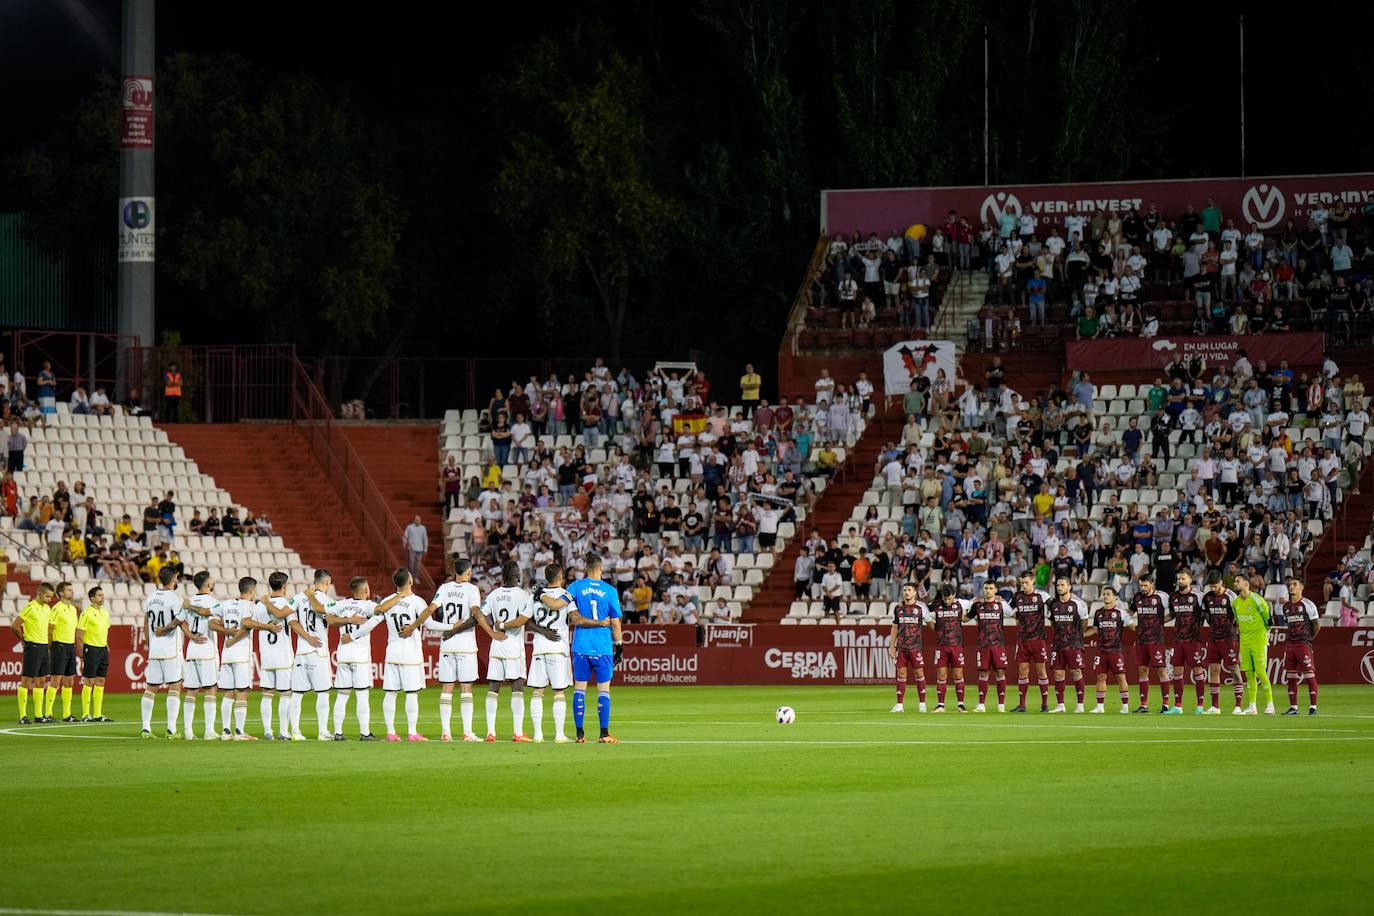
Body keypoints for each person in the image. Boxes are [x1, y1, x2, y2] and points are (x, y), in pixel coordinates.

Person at [348, 568, 431, 740]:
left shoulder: (387, 601)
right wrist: (451, 628)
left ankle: (391, 732)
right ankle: (412, 732)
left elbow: (372, 623)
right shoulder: (417, 601)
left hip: (392, 653)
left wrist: (352, 635)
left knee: (391, 693)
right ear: (410, 582)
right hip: (410, 654)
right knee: (411, 693)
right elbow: (430, 624)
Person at [426, 558, 495, 741]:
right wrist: (490, 631)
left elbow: (432, 609)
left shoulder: (444, 588)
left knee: (447, 688)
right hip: (465, 645)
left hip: (448, 643)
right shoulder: (472, 590)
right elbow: (476, 613)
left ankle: (446, 732)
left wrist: (447, 628)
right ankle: (467, 732)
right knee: (466, 688)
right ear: (469, 572)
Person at [566, 553, 624, 743]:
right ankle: (604, 734)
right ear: (601, 568)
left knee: (579, 689)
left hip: (580, 645)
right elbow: (615, 623)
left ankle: (580, 735)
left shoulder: (575, 586)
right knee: (603, 690)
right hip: (602, 647)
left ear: (585, 568)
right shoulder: (610, 590)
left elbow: (566, 610)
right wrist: (620, 646)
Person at [139, 568, 202, 738]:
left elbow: (145, 622)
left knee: (151, 687)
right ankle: (171, 729)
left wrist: (149, 641)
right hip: (170, 649)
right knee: (175, 686)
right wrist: (191, 636)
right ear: (173, 579)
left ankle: (145, 728)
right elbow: (179, 622)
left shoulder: (151, 597)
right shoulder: (175, 599)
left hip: (154, 649)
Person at [480, 560, 534, 741]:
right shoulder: (522, 594)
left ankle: (490, 732)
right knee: (517, 686)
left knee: (493, 688)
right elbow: (523, 620)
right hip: (513, 647)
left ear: (502, 576)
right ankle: (518, 732)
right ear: (517, 575)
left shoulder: (493, 594)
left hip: (496, 646)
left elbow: (480, 614)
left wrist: (491, 632)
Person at [287, 570, 343, 741]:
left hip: (302, 651)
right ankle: (323, 732)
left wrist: (306, 637)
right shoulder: (327, 600)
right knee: (323, 692)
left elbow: (291, 621)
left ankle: (295, 732)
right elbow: (333, 621)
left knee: (297, 693)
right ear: (327, 582)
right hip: (319, 652)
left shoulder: (298, 597)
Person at [525, 563, 575, 742]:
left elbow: (526, 621)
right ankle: (559, 734)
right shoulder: (566, 596)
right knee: (558, 692)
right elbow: (574, 617)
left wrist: (541, 630)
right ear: (560, 576)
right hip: (557, 648)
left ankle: (538, 734)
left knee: (538, 691)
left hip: (539, 647)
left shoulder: (535, 596)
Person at [328, 576, 379, 740]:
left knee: (342, 695)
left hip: (343, 655)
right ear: (365, 590)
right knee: (362, 695)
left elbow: (327, 617)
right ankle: (365, 733)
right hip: (360, 657)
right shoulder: (369, 606)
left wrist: (346, 620)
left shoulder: (341, 604)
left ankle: (338, 732)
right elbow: (381, 614)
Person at [248, 571, 296, 740]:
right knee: (285, 694)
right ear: (284, 586)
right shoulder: (288, 604)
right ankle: (284, 731)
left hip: (267, 655)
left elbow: (250, 623)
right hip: (283, 655)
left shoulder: (260, 605)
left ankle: (268, 731)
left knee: (267, 694)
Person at [213, 577, 260, 740]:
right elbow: (247, 626)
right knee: (242, 692)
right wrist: (232, 638)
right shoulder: (250, 606)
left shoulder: (225, 604)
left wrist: (226, 632)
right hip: (241, 655)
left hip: (226, 654)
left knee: (228, 692)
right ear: (252, 590)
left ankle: (226, 731)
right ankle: (239, 732)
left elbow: (211, 623)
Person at [179, 571, 221, 739]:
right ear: (207, 584)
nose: (213, 582)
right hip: (206, 648)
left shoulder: (189, 601)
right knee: (211, 688)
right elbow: (207, 615)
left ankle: (188, 732)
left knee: (192, 690)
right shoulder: (213, 602)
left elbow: (180, 621)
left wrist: (189, 635)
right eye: (212, 580)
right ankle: (209, 731)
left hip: (192, 650)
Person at [1200, 571, 1244, 715]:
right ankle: (1215, 706)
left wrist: (1236, 635)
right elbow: (1206, 614)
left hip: (1229, 639)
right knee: (1213, 670)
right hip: (1213, 639)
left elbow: (1238, 618)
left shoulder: (1231, 596)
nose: (1213, 589)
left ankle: (1238, 705)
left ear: (1221, 583)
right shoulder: (1207, 598)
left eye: (1215, 586)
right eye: (1211, 587)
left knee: (1234, 669)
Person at [1085, 586, 1134, 713]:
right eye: (1104, 594)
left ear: (1115, 597)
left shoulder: (1121, 613)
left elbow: (1132, 627)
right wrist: (1081, 635)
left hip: (1116, 651)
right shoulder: (1098, 613)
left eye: (1108, 594)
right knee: (1101, 677)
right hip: (1101, 651)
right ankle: (1100, 706)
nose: (1105, 596)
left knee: (1120, 677)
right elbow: (1095, 629)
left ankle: (1125, 706)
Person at [966, 580, 1011, 712]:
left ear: (996, 590)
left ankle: (1001, 705)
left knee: (1000, 672)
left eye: (991, 588)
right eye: (986, 588)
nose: (988, 590)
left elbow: (1016, 614)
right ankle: (981, 705)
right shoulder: (977, 605)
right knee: (983, 672)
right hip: (983, 645)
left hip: (998, 644)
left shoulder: (1002, 605)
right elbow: (965, 618)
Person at [1166, 570, 1207, 714]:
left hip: (1193, 640)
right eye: (1178, 578)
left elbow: (1207, 613)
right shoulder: (1173, 597)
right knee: (1177, 672)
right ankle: (1178, 706)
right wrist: (1158, 621)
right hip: (1177, 640)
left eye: (1183, 578)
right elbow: (1171, 614)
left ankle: (1200, 705)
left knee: (1197, 671)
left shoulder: (1199, 596)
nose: (1180, 581)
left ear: (1190, 580)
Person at [1278, 577, 1321, 716]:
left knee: (1309, 675)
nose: (1291, 587)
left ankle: (1313, 707)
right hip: (1290, 646)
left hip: (1303, 645)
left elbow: (1317, 626)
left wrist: (1307, 640)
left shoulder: (1308, 604)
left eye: (1294, 584)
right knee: (1291, 676)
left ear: (1301, 587)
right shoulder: (1286, 607)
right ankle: (1293, 707)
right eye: (1290, 584)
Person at [1232, 575, 1274, 715]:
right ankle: (1252, 707)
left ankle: (1270, 705)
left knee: (1261, 672)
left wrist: (1264, 635)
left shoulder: (1256, 599)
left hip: (1258, 640)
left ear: (1246, 584)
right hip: (1244, 641)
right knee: (1249, 674)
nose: (1235, 583)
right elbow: (1238, 622)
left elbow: (1268, 620)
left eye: (1238, 581)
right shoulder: (1235, 602)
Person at [13, 582, 55, 723]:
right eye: (48, 596)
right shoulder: (30, 607)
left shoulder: (48, 609)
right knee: (27, 680)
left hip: (43, 648)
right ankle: (22, 716)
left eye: (51, 597)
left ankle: (38, 716)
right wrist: (25, 640)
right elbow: (15, 626)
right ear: (40, 593)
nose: (50, 599)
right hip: (33, 647)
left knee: (41, 680)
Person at [1009, 572, 1051, 713]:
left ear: (1033, 581)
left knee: (1041, 671)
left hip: (1038, 639)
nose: (1024, 585)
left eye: (1027, 582)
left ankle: (1045, 705)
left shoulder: (1042, 596)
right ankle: (1022, 705)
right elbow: (1009, 610)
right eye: (1022, 583)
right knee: (1023, 671)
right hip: (1023, 640)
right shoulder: (1017, 597)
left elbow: (1055, 607)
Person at [1129, 573, 1171, 714]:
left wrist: (1160, 622)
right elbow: (1130, 612)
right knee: (1142, 670)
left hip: (1156, 640)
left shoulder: (1162, 597)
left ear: (1152, 584)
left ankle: (1165, 704)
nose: (1143, 588)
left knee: (1161, 670)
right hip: (1141, 640)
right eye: (1141, 585)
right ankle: (1143, 705)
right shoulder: (1137, 597)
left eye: (1145, 585)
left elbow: (1173, 613)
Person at [1047, 577, 1089, 713]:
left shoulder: (1079, 603)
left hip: (1074, 644)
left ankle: (1080, 705)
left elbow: (1084, 623)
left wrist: (1075, 636)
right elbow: (1053, 623)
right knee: (1058, 674)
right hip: (1058, 644)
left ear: (1069, 586)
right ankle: (1060, 705)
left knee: (1076, 672)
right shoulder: (1053, 604)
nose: (1059, 588)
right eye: (1058, 585)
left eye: (1062, 585)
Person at [886, 583, 928, 713]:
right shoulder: (898, 608)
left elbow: (930, 621)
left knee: (919, 674)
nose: (906, 592)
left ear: (915, 592)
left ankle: (922, 704)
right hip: (902, 648)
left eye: (909, 590)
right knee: (901, 674)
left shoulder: (921, 608)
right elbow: (894, 627)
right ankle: (899, 705)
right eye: (904, 590)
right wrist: (892, 646)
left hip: (916, 647)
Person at [927, 585, 967, 712]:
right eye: (945, 598)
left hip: (957, 645)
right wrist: (932, 624)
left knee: (958, 675)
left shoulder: (961, 603)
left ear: (954, 595)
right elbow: (922, 610)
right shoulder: (937, 604)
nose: (947, 601)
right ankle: (940, 705)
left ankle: (961, 705)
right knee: (941, 675)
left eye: (949, 598)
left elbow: (975, 604)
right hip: (942, 646)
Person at [75, 586, 112, 723]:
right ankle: (85, 714)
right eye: (99, 595)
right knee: (89, 681)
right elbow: (79, 636)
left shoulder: (105, 613)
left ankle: (97, 714)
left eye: (103, 595)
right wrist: (82, 654)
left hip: (103, 649)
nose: (102, 597)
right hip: (91, 649)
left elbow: (104, 631)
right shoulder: (86, 614)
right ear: (92, 598)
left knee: (101, 681)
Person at [43, 582, 80, 722]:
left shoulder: (73, 609)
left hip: (70, 646)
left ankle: (66, 714)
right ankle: (47, 714)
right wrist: (51, 647)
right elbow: (50, 630)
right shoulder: (56, 609)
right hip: (59, 646)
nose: (72, 592)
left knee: (69, 681)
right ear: (61, 593)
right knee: (55, 680)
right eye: (68, 590)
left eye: (72, 589)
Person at [402, 516, 428, 581]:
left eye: (419, 520)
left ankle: (416, 577)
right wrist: (404, 544)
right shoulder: (409, 527)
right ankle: (410, 577)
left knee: (418, 565)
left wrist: (425, 548)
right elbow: (405, 535)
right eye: (416, 520)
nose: (417, 521)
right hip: (412, 549)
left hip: (420, 549)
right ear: (414, 520)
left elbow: (425, 538)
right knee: (411, 564)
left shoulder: (423, 528)